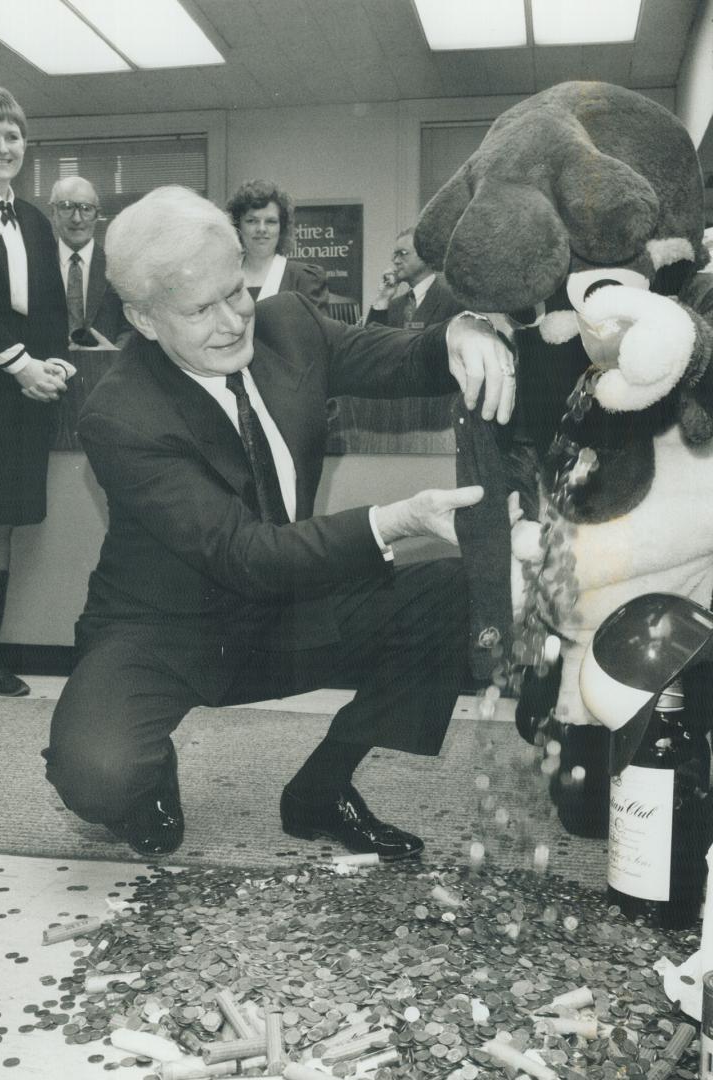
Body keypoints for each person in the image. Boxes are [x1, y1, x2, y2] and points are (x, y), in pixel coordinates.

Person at [43, 185, 515, 861]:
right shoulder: (121, 414)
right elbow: (246, 554)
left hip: (289, 611)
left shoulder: (288, 323)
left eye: (235, 291)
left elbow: (404, 358)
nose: (234, 321)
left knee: (449, 590)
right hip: (166, 629)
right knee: (94, 773)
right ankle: (147, 777)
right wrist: (400, 519)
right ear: (144, 320)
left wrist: (459, 332)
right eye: (200, 309)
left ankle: (322, 790)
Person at [0, 86, 72, 697]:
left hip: (18, 401)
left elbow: (52, 307)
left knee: (3, 523)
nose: (3, 146)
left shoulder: (37, 221)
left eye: (12, 135)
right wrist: (18, 364)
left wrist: (54, 367)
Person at [50, 175, 131, 350]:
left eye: (86, 209)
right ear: (53, 213)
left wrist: (114, 352)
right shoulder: (36, 265)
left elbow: (134, 325)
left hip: (107, 371)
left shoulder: (120, 265)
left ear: (97, 215)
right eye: (66, 207)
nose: (77, 218)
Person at [227, 178, 329, 310]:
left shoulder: (305, 280)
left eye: (271, 221)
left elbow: (318, 330)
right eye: (252, 221)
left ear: (282, 228)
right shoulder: (224, 277)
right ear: (238, 226)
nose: (261, 229)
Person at [365, 227, 464, 328]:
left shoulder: (453, 300)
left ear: (425, 255)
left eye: (403, 254)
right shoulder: (395, 305)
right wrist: (383, 298)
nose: (396, 261)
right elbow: (370, 341)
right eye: (395, 255)